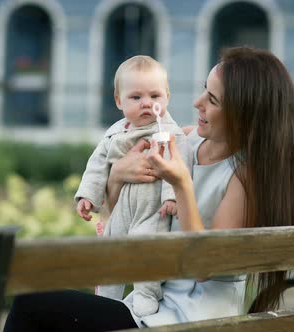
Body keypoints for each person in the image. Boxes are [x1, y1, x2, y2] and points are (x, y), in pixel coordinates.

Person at [3, 46, 294, 332]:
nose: (197, 102)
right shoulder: (184, 141)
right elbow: (120, 210)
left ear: (244, 114)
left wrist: (181, 184)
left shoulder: (243, 176)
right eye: (204, 89)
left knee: (31, 306)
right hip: (148, 307)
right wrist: (117, 176)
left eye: (212, 100)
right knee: (39, 306)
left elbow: (204, 267)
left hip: (191, 319)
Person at [74, 55, 192, 317]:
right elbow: (97, 166)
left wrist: (171, 197)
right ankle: (106, 297)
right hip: (120, 208)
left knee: (146, 249)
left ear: (167, 97)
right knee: (110, 251)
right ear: (119, 101)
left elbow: (180, 163)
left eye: (155, 96)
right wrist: (88, 196)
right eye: (136, 98)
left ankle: (146, 294)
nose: (147, 103)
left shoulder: (170, 133)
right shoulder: (115, 133)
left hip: (151, 207)